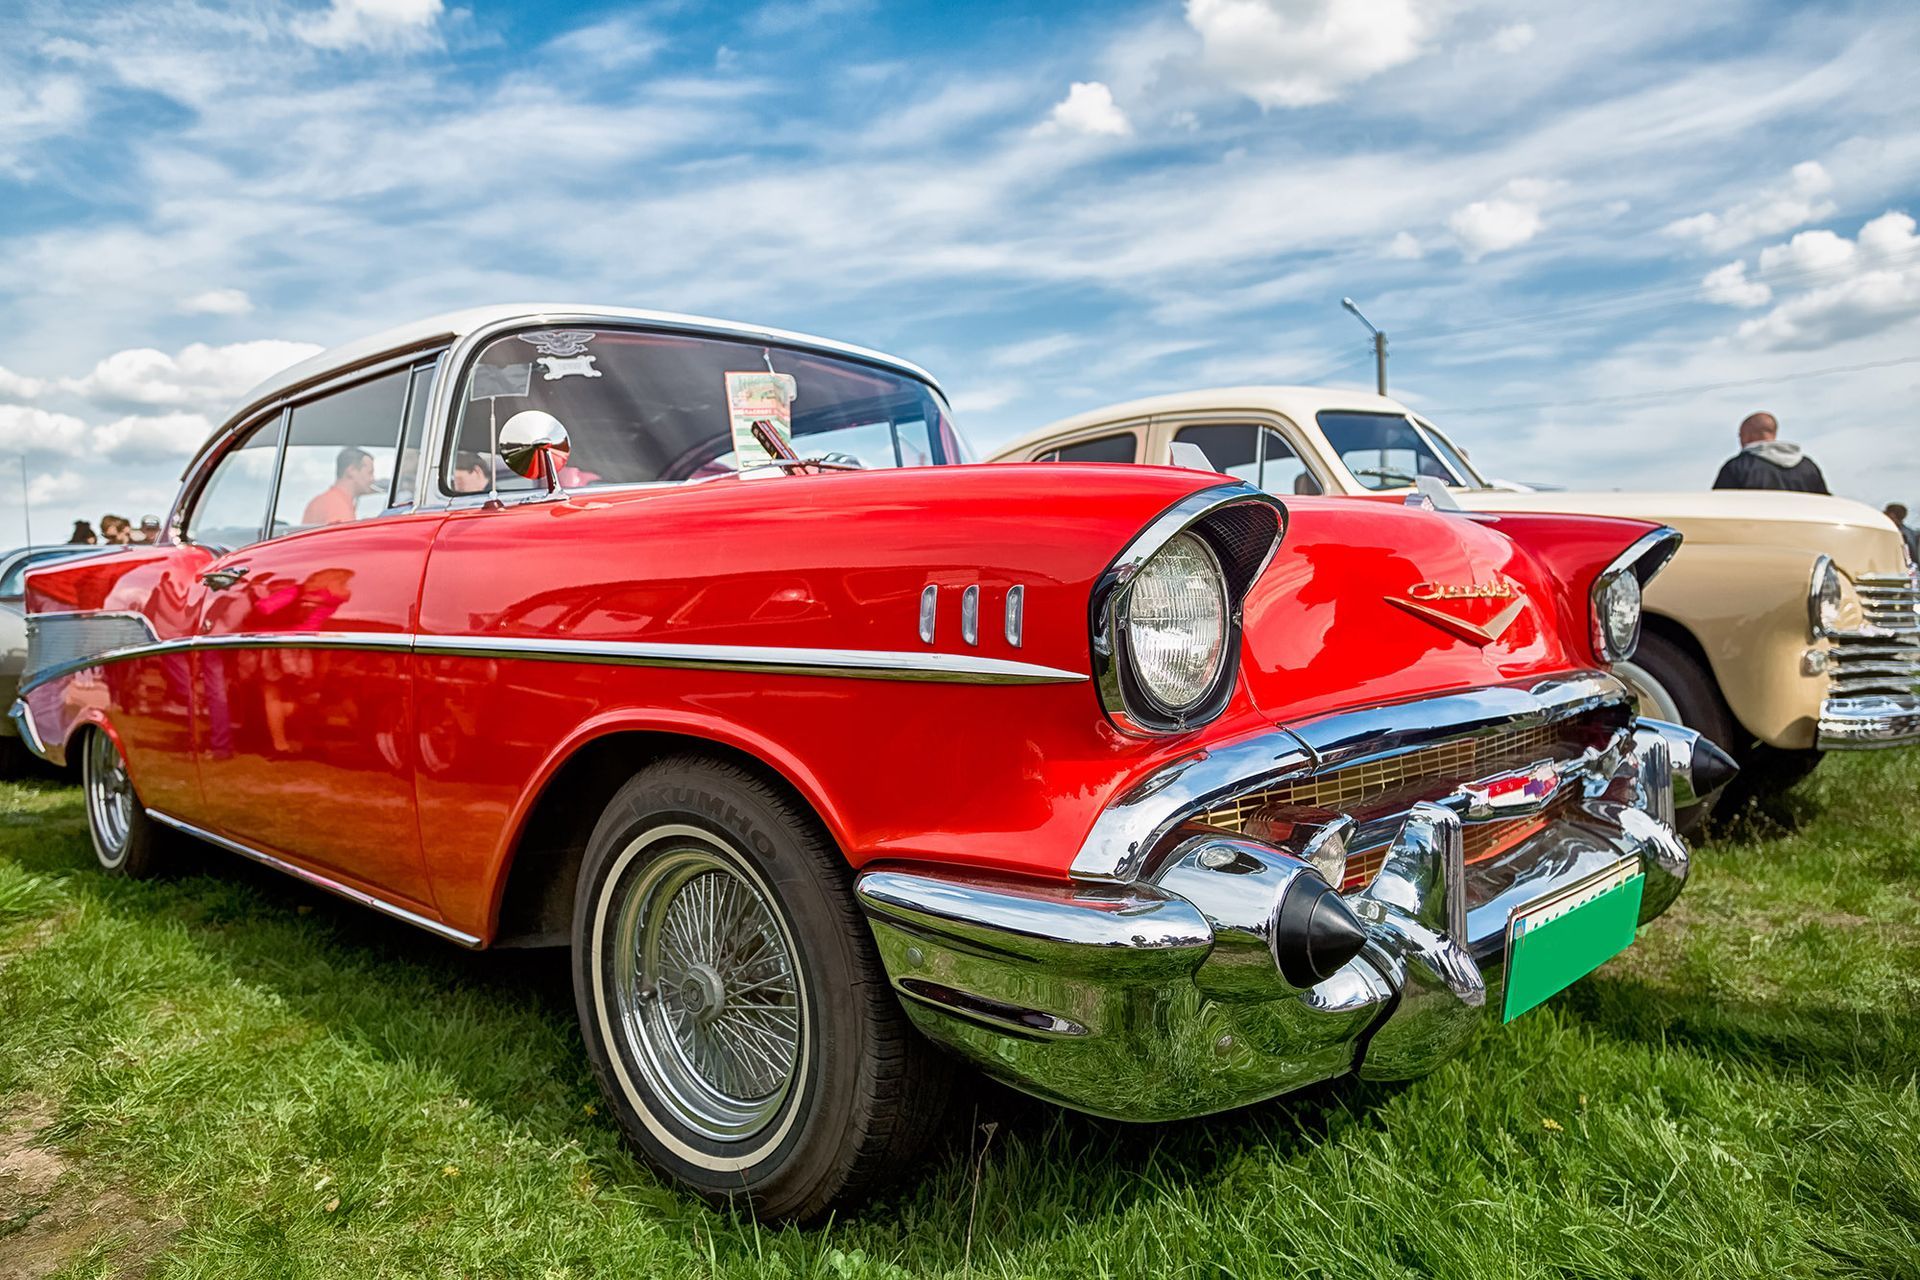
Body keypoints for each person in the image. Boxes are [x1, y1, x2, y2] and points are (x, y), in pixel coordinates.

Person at [1711, 412, 1828, 493]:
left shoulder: (1737, 467)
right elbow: (1825, 505)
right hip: (1803, 529)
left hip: (1753, 528)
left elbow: (1719, 508)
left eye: (1740, 436)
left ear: (1746, 435)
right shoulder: (1809, 468)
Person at [301, 447, 378, 526]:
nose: (373, 479)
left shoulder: (325, 500)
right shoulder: (338, 506)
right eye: (370, 473)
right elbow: (346, 537)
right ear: (351, 471)